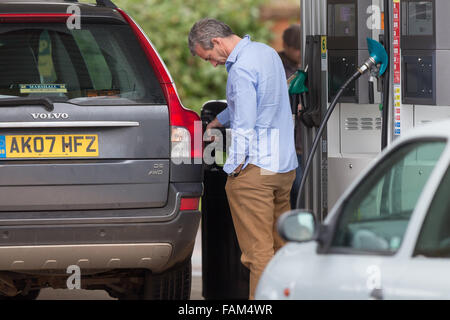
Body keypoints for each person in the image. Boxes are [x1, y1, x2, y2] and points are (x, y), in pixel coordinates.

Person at [188, 18, 298, 300]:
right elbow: (262, 101)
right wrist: (220, 120)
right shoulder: (266, 53)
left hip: (255, 171)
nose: (212, 63)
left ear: (216, 42)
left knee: (257, 255)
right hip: (282, 168)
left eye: (209, 57)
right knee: (280, 249)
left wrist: (234, 169)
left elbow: (246, 124)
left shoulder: (240, 70)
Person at [278, 24, 303, 208]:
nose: (299, 52)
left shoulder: (307, 64)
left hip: (303, 139)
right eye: (296, 49)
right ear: (286, 46)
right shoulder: (278, 67)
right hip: (288, 142)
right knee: (295, 187)